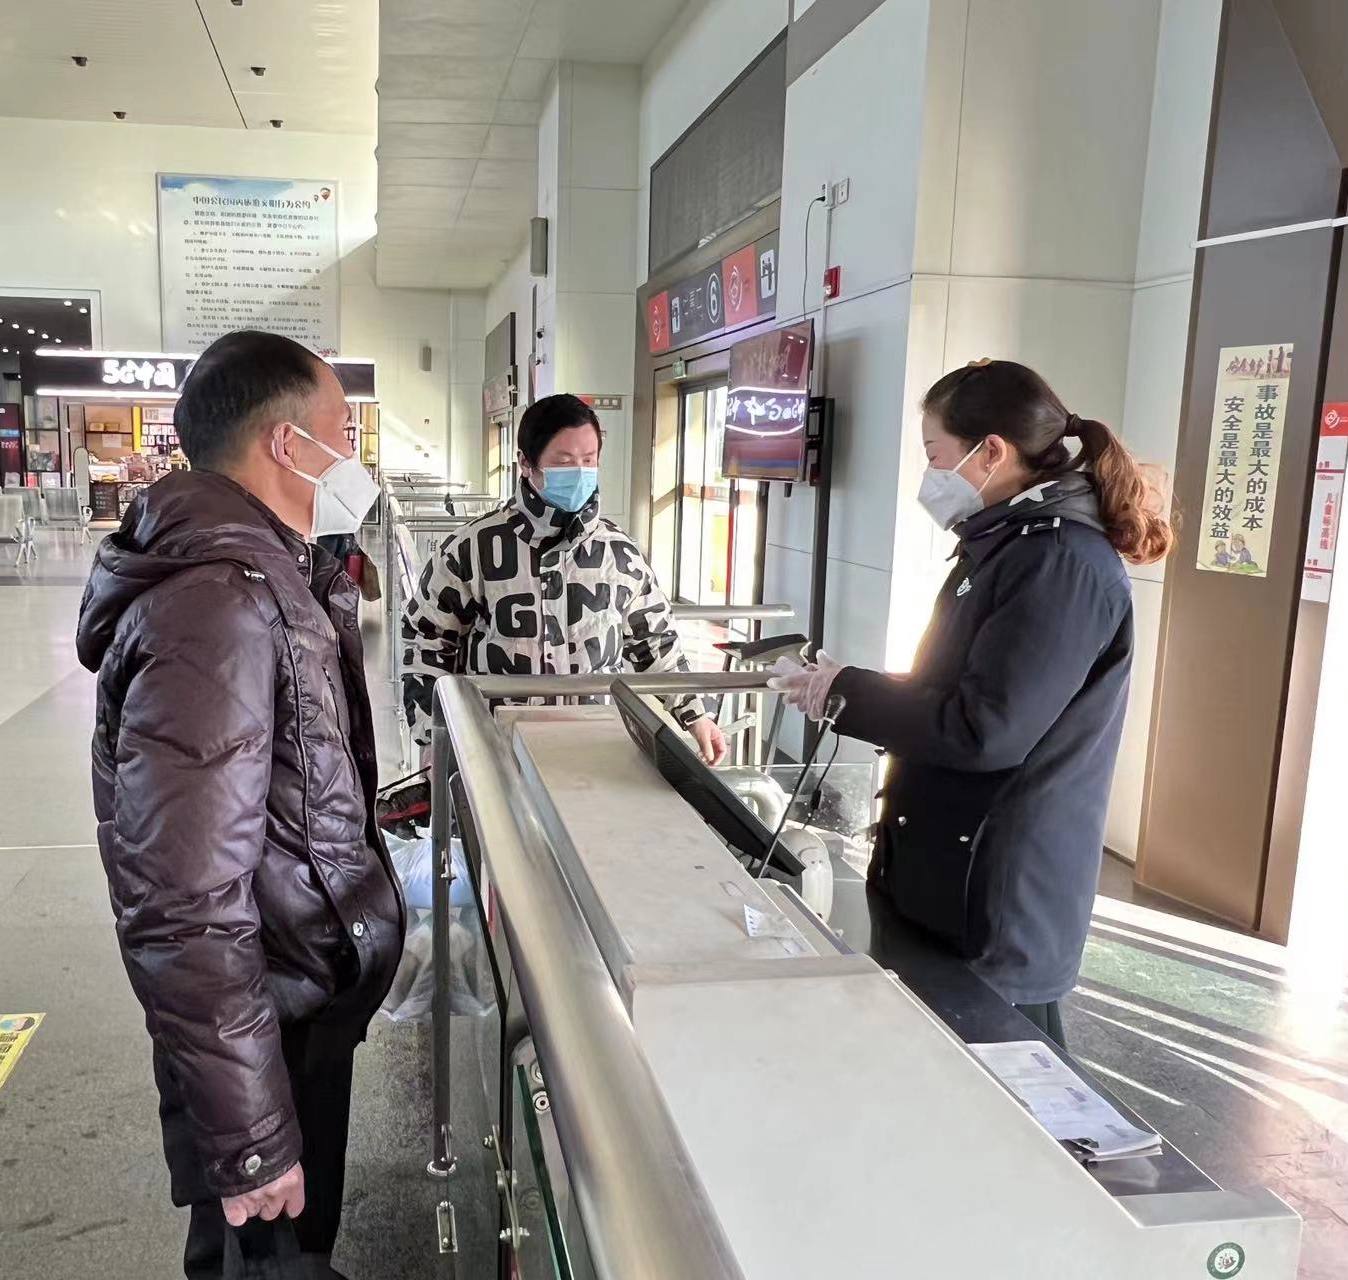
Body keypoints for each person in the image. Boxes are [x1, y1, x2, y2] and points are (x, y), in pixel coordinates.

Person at [76, 329, 400, 1280]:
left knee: (279, 1254)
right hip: (261, 1023)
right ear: (286, 444)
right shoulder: (216, 605)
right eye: (343, 432)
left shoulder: (263, 572)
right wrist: (250, 1133)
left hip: (281, 1003)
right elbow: (182, 895)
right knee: (264, 1258)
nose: (354, 456)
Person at [769, 359, 1172, 1048]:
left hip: (995, 892)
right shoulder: (1004, 546)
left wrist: (849, 694)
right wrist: (848, 686)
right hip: (945, 869)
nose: (929, 475)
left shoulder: (1058, 564)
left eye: (935, 455)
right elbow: (963, 689)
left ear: (990, 452)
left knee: (1008, 1084)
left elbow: (986, 729)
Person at [400, 393, 727, 762]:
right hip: (496, 753)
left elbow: (655, 642)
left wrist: (696, 715)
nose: (580, 472)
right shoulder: (473, 548)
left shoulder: (618, 553)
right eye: (565, 462)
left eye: (589, 460)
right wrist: (432, 738)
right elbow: (426, 639)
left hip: (595, 747)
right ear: (526, 462)